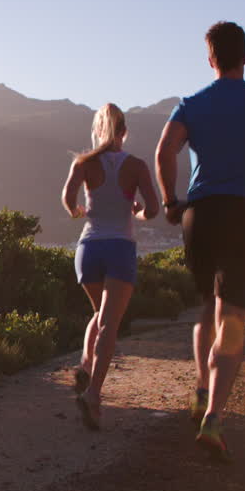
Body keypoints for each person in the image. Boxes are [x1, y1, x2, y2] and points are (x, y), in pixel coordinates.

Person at [155, 21, 245, 462]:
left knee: (206, 306)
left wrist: (169, 201)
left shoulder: (192, 105)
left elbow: (165, 150)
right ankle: (213, 418)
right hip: (242, 214)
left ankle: (201, 390)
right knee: (232, 316)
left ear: (211, 58)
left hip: (200, 215)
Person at [62, 103, 159, 430]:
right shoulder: (137, 166)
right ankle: (93, 395)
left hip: (88, 248)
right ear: (124, 132)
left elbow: (67, 197)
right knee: (109, 325)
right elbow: (154, 210)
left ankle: (84, 366)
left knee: (99, 315)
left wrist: (77, 212)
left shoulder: (84, 163)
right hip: (119, 248)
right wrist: (137, 212)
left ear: (98, 130)